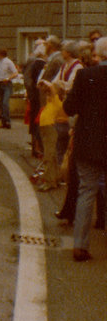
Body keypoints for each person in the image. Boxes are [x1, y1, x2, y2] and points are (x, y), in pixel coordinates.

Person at [63, 37, 107, 261]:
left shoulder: (85, 75)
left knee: (86, 192)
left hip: (88, 143)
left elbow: (69, 108)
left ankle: (80, 245)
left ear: (97, 54)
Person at [0, 48, 20, 128]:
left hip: (7, 83)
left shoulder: (8, 62)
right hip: (0, 83)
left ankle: (7, 121)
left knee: (5, 102)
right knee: (1, 103)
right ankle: (3, 121)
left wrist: (8, 78)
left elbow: (15, 73)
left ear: (1, 54)